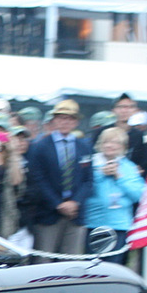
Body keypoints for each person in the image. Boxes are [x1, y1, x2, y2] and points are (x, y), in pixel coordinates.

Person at [24, 99, 94, 256]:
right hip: (48, 212)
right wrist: (58, 204)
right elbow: (37, 179)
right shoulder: (40, 147)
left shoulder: (84, 146)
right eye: (62, 118)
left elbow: (88, 180)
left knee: (71, 261)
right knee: (44, 259)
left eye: (70, 118)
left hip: (76, 214)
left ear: (76, 122)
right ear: (54, 120)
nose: (65, 122)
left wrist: (75, 202)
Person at [82, 127, 144, 265]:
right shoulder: (90, 165)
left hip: (119, 225)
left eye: (115, 142)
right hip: (93, 223)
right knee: (91, 265)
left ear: (122, 146)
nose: (110, 145)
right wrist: (100, 175)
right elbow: (83, 190)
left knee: (115, 266)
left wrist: (119, 177)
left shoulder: (129, 167)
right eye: (106, 142)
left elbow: (138, 195)